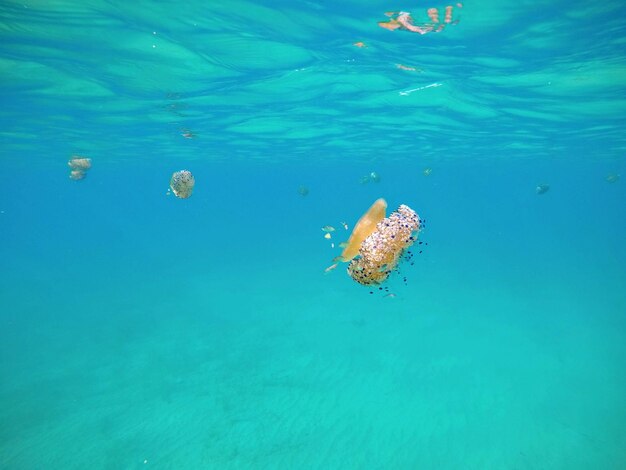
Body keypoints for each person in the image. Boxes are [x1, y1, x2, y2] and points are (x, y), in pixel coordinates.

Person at [378, 4, 462, 34]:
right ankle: (448, 12)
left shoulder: (396, 18)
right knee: (438, 22)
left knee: (436, 22)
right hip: (421, 26)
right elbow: (418, 29)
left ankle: (448, 12)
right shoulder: (404, 27)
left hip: (410, 19)